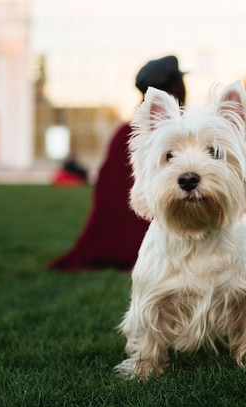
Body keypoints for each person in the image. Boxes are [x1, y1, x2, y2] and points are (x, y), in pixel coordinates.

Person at [48, 55, 187, 272]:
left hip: (108, 239)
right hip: (152, 240)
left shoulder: (122, 133)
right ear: (177, 89)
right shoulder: (177, 135)